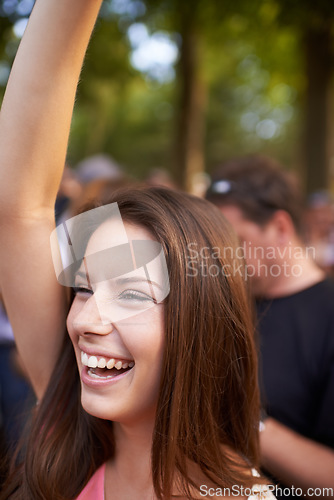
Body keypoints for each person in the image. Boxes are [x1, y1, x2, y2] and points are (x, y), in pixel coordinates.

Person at [0, 1, 272, 499]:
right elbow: (19, 209)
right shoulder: (74, 427)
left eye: (131, 294)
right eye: (82, 287)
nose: (86, 322)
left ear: (201, 320)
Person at [206, 156, 334, 496]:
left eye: (236, 243)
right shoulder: (224, 301)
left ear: (280, 228)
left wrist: (246, 420)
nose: (221, 260)